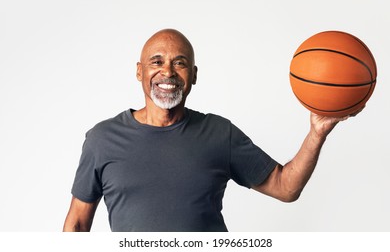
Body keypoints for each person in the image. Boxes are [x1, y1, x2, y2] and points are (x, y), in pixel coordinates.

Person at [63, 28, 356, 232]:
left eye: (180, 63)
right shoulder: (102, 140)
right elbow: (76, 224)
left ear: (193, 75)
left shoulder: (219, 133)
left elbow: (285, 187)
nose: (167, 72)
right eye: (157, 62)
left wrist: (317, 133)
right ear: (139, 71)